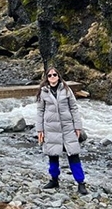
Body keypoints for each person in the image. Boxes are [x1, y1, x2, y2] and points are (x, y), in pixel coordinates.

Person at [36, 66, 88, 195]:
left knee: (74, 155)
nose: (52, 77)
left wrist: (77, 126)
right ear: (46, 78)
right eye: (50, 75)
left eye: (55, 75)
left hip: (67, 127)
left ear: (58, 76)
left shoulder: (66, 89)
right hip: (51, 128)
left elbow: (74, 108)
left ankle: (81, 183)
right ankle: (54, 180)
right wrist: (39, 130)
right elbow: (40, 111)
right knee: (53, 156)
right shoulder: (43, 92)